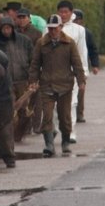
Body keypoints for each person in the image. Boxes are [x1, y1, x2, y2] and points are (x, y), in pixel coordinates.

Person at [29, 14, 86, 157]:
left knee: (65, 117)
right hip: (47, 85)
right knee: (47, 116)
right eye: (50, 28)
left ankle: (65, 142)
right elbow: (35, 64)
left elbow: (76, 63)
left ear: (61, 27)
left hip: (65, 85)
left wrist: (81, 81)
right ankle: (49, 145)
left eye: (55, 28)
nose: (53, 31)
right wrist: (32, 82)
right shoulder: (41, 43)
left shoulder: (69, 43)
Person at [0, 16, 34, 140]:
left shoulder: (24, 40)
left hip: (22, 79)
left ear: (12, 28)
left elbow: (32, 59)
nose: (6, 31)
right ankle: (10, 135)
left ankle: (20, 133)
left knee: (24, 110)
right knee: (10, 110)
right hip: (6, 82)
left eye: (8, 28)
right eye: (4, 28)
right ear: (0, 29)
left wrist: (32, 77)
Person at [53, 0, 88, 142]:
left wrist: (83, 74)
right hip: (53, 72)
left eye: (66, 12)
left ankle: (71, 132)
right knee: (54, 104)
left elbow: (82, 52)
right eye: (61, 11)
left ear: (71, 13)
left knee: (71, 103)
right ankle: (55, 129)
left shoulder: (79, 30)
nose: (63, 14)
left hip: (71, 72)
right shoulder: (50, 28)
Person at [16, 7, 43, 132]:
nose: (21, 20)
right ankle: (24, 126)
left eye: (23, 17)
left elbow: (39, 53)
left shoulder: (36, 33)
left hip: (32, 68)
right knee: (22, 100)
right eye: (19, 17)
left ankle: (36, 125)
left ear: (29, 19)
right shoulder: (14, 32)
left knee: (35, 98)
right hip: (18, 71)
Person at [73, 8, 100, 123]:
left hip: (81, 66)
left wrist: (95, 65)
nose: (76, 22)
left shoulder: (86, 33)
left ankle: (79, 114)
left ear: (82, 21)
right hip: (66, 67)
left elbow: (93, 49)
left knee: (80, 90)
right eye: (75, 19)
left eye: (78, 20)